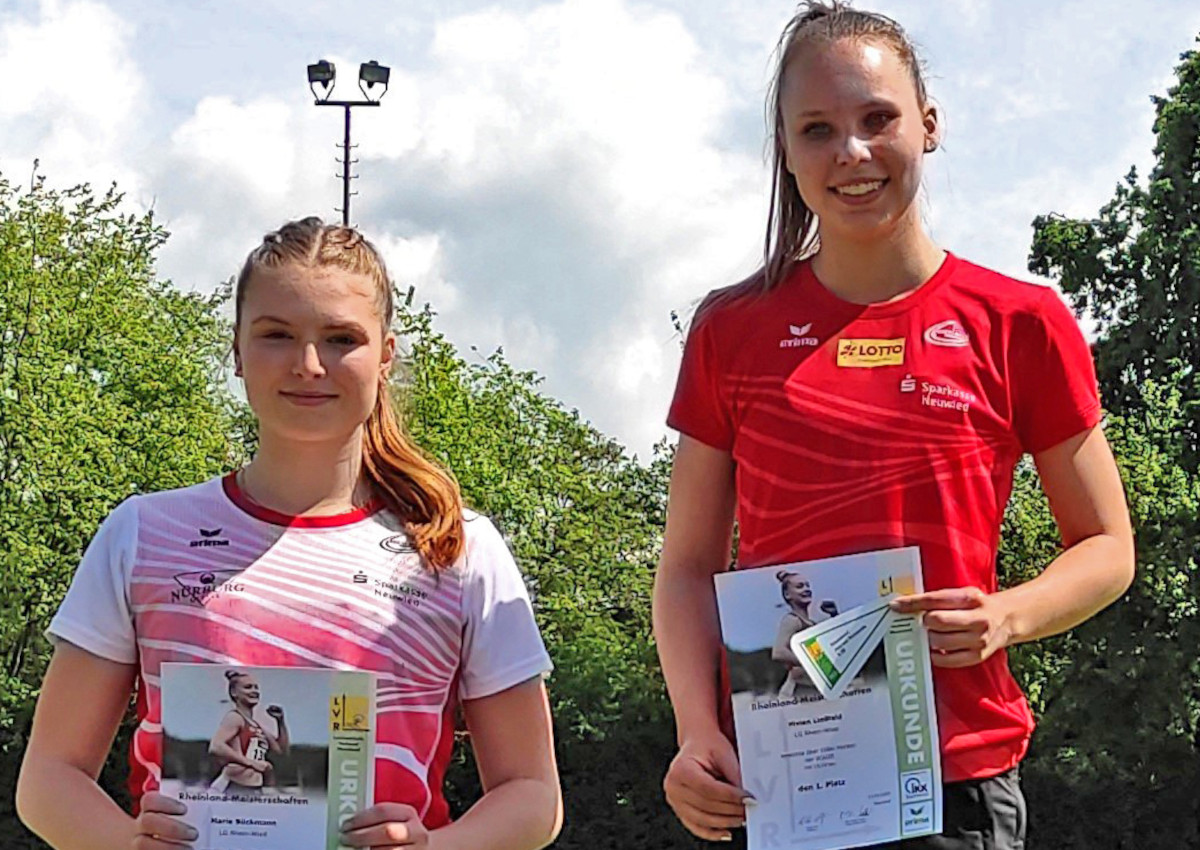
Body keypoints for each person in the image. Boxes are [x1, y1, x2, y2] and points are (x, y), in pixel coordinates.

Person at [652, 3, 1135, 847]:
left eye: (878, 118)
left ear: (930, 125)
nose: (852, 153)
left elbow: (1107, 547)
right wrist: (698, 731)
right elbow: (688, 568)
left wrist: (1009, 615)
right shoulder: (732, 330)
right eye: (817, 129)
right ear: (786, 150)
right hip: (790, 777)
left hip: (959, 781)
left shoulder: (1019, 321)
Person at [16, 217, 563, 850]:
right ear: (237, 351)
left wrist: (437, 848)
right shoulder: (141, 534)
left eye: (340, 339)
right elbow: (48, 779)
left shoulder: (455, 546)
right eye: (276, 335)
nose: (308, 364)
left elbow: (532, 795)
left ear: (385, 355)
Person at [207, 670, 288, 794]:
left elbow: (281, 751)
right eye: (248, 687)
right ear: (234, 693)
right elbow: (216, 746)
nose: (254, 691)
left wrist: (280, 722)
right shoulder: (235, 718)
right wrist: (252, 764)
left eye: (256, 688)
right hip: (234, 785)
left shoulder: (257, 726)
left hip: (254, 788)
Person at [770, 572, 836, 696]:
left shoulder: (811, 624)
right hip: (796, 690)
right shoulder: (792, 620)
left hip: (811, 689)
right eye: (800, 586)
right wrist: (810, 663)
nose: (806, 589)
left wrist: (834, 616)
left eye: (807, 586)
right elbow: (778, 652)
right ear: (787, 594)